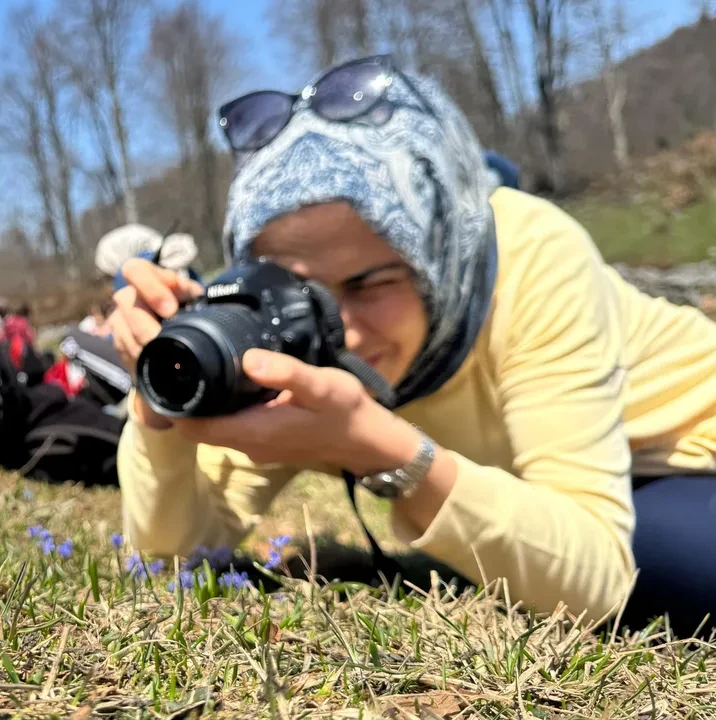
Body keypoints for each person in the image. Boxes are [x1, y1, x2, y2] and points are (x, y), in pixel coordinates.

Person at [110, 56, 716, 635]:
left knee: (667, 562)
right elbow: (170, 559)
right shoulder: (288, 339)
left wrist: (380, 449)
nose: (338, 329)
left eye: (371, 283)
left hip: (691, 444)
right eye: (301, 290)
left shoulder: (532, 256)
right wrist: (162, 413)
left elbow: (598, 580)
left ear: (439, 256)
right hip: (571, 491)